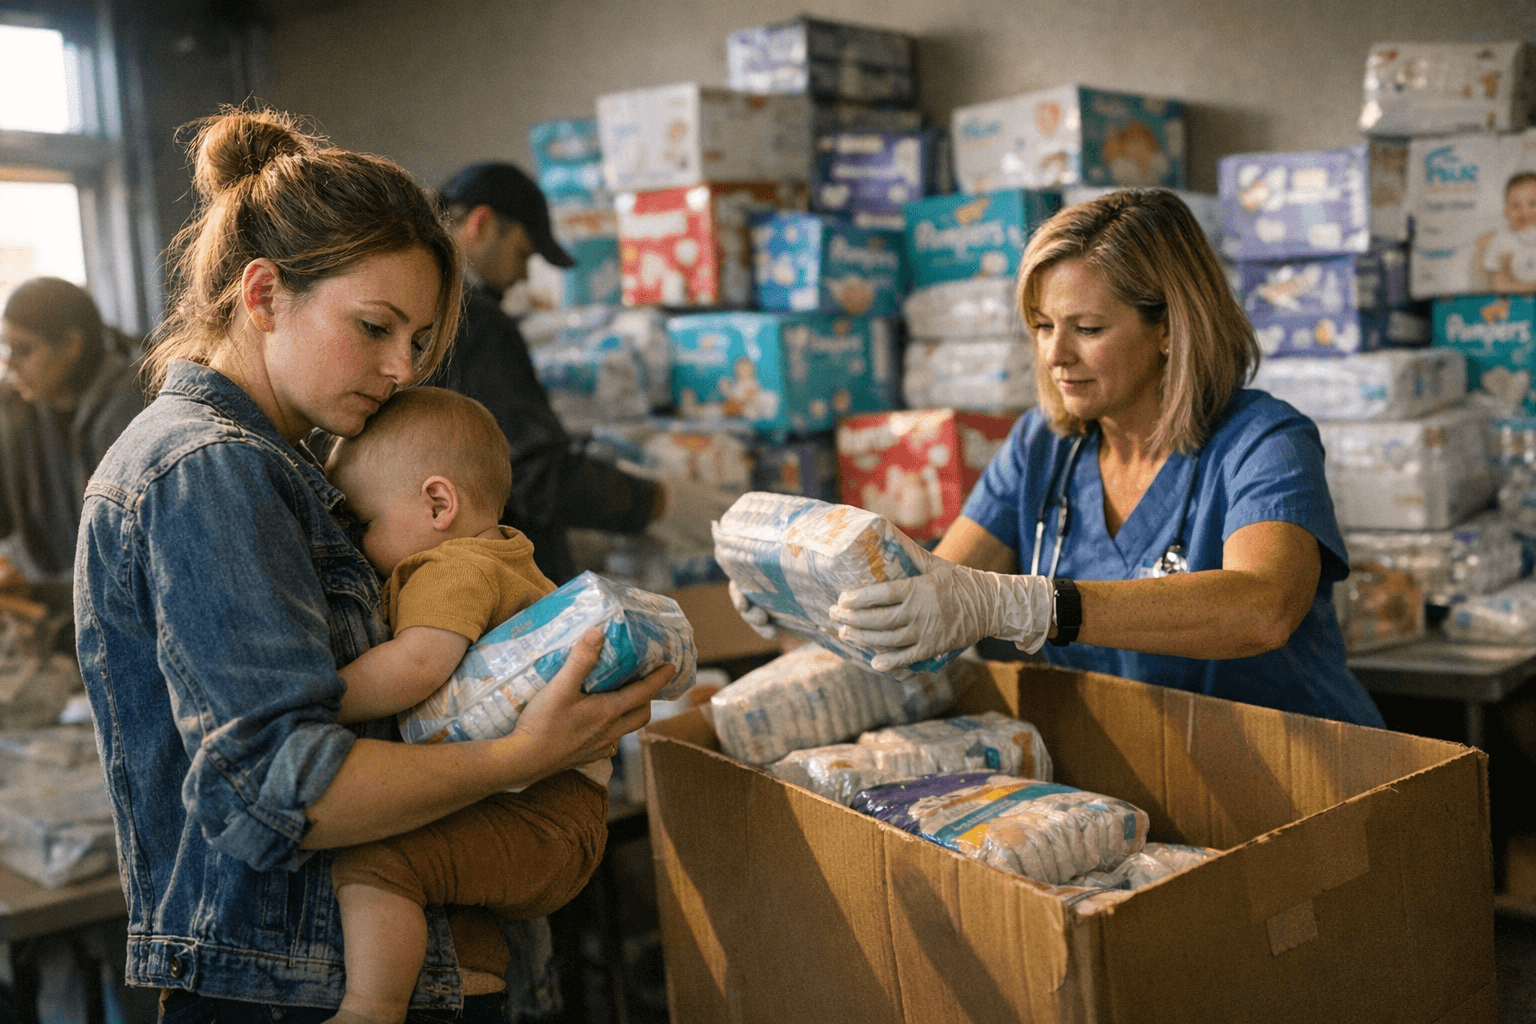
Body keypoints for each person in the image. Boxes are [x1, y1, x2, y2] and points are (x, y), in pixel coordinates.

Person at [73, 107, 672, 1021]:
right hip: (291, 992)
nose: (401, 368)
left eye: (420, 341)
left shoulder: (291, 460)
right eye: (374, 327)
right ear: (264, 294)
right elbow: (282, 790)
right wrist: (526, 752)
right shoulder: (209, 468)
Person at [741, 188, 1383, 727]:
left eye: (1089, 328)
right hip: (1142, 775)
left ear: (1169, 328)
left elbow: (1262, 608)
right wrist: (812, 601)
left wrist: (1036, 606)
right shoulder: (1042, 448)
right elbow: (936, 594)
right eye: (1044, 326)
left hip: (1303, 774)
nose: (1055, 354)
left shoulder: (1263, 441)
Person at [323, 386, 617, 1024]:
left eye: (365, 523)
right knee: (446, 896)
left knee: (376, 858)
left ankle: (369, 1008)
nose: (361, 546)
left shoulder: (452, 566)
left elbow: (416, 666)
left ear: (437, 502)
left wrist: (316, 696)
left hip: (539, 814)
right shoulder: (506, 556)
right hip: (555, 814)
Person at [434, 162, 716, 585]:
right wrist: (655, 500)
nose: (524, 276)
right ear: (482, 223)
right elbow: (534, 474)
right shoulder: (477, 322)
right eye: (524, 254)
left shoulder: (425, 309)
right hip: (500, 580)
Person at [0, 277, 145, 594]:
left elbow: (126, 565)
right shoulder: (24, 406)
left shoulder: (127, 411)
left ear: (70, 345)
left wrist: (36, 591)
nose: (9, 363)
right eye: (6, 348)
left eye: (23, 349)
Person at [1480, 171, 1536, 293]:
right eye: (1516, 206)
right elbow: (1499, 285)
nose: (1524, 212)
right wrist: (1505, 271)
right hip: (1515, 302)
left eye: (1533, 204)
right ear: (1506, 211)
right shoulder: (1500, 240)